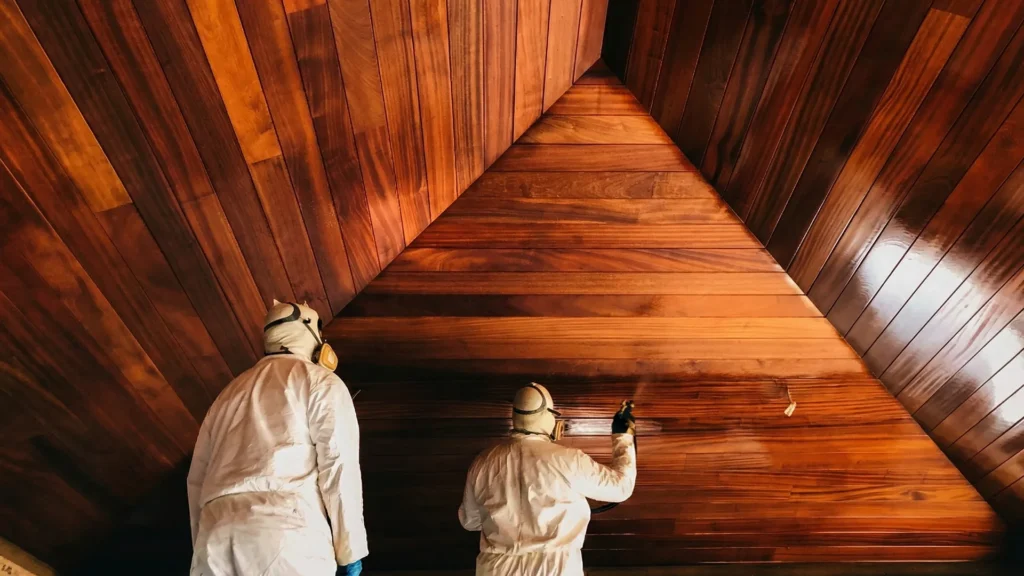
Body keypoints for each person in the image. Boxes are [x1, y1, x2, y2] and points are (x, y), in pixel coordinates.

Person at [187, 300, 367, 576]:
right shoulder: (319, 381)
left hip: (216, 535)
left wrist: (201, 541)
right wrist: (350, 551)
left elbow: (197, 479)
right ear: (309, 332)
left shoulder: (228, 394)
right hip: (284, 532)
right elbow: (338, 467)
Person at [459, 383, 637, 575]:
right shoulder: (569, 459)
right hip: (555, 569)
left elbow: (469, 522)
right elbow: (621, 487)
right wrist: (622, 437)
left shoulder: (483, 462)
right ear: (548, 415)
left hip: (496, 569)